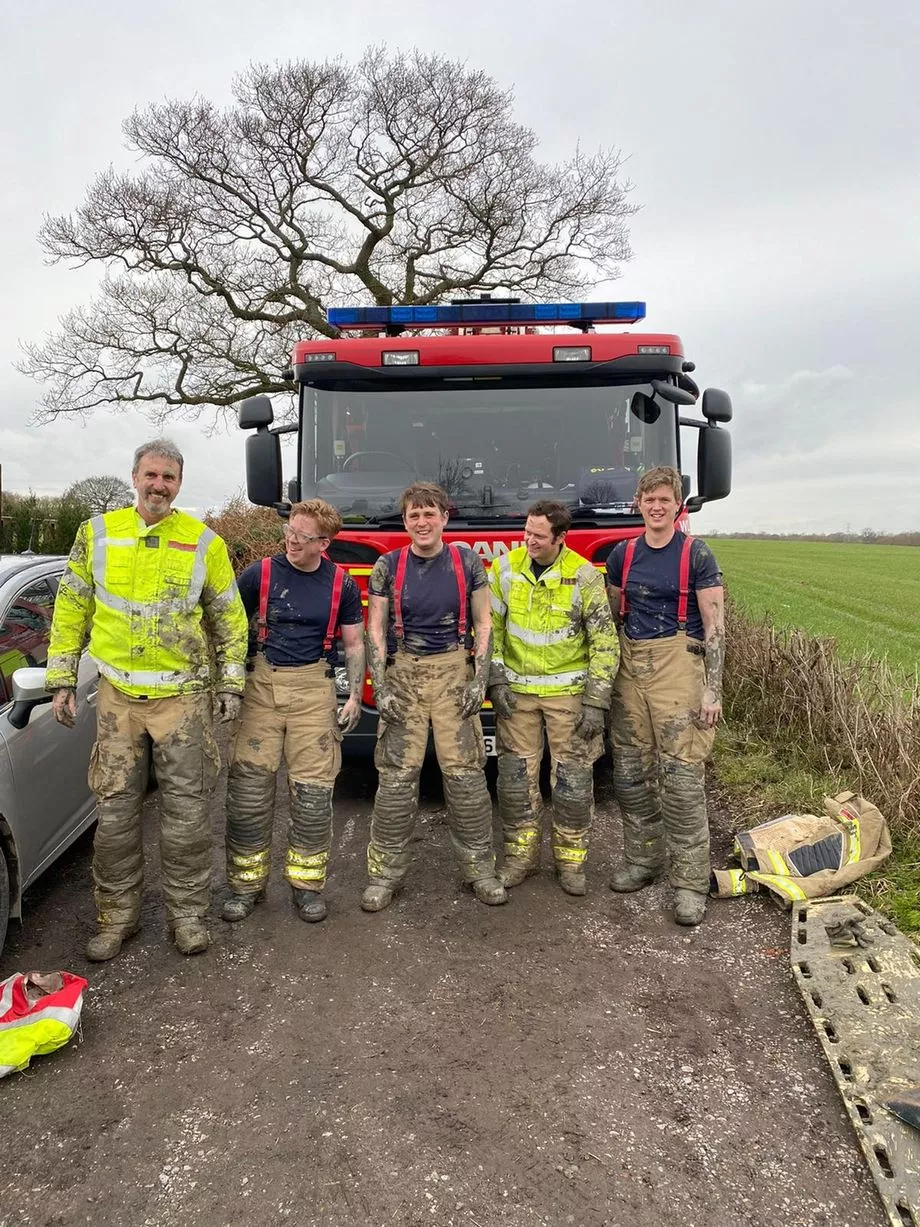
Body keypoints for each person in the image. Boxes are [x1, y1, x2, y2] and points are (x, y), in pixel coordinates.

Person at [46, 440, 249, 960]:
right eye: (151, 475)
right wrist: (62, 678)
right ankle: (117, 918)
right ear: (134, 476)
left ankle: (187, 915)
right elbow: (70, 608)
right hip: (118, 700)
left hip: (182, 701)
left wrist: (230, 683)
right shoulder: (97, 534)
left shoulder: (204, 543)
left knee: (186, 817)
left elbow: (229, 617)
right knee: (114, 817)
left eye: (169, 478)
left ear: (180, 484)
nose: (159, 485)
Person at [361, 482, 506, 911]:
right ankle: (384, 874)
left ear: (444, 517)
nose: (422, 522)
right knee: (395, 780)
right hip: (404, 675)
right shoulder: (387, 565)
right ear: (405, 521)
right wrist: (381, 686)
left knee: (465, 778)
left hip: (453, 675)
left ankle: (480, 868)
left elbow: (483, 624)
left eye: (429, 514)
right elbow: (375, 629)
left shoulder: (466, 562)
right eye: (413, 515)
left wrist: (479, 681)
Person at [221, 500, 365, 925]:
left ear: (324, 543)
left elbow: (354, 644)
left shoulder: (342, 584)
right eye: (289, 531)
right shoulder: (259, 574)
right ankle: (245, 887)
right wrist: (228, 683)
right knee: (248, 793)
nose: (291, 541)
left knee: (313, 796)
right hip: (261, 686)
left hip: (314, 691)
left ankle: (307, 887)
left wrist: (354, 696)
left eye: (302, 536)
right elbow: (228, 627)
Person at [605, 465, 725, 926]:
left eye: (665, 499)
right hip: (631, 666)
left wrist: (712, 691)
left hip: (681, 668)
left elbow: (715, 630)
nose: (657, 507)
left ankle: (691, 883)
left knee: (680, 780)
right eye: (648, 499)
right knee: (631, 775)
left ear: (678, 505)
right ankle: (644, 860)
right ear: (638, 504)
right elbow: (614, 617)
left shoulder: (696, 555)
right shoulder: (623, 554)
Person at [488, 500, 619, 895]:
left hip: (569, 698)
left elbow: (605, 642)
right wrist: (495, 680)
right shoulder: (504, 568)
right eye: (526, 532)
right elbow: (489, 628)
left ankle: (570, 863)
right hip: (517, 696)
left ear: (561, 537)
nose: (529, 541)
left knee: (574, 783)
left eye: (539, 536)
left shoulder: (583, 576)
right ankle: (520, 859)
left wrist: (596, 702)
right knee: (514, 782)